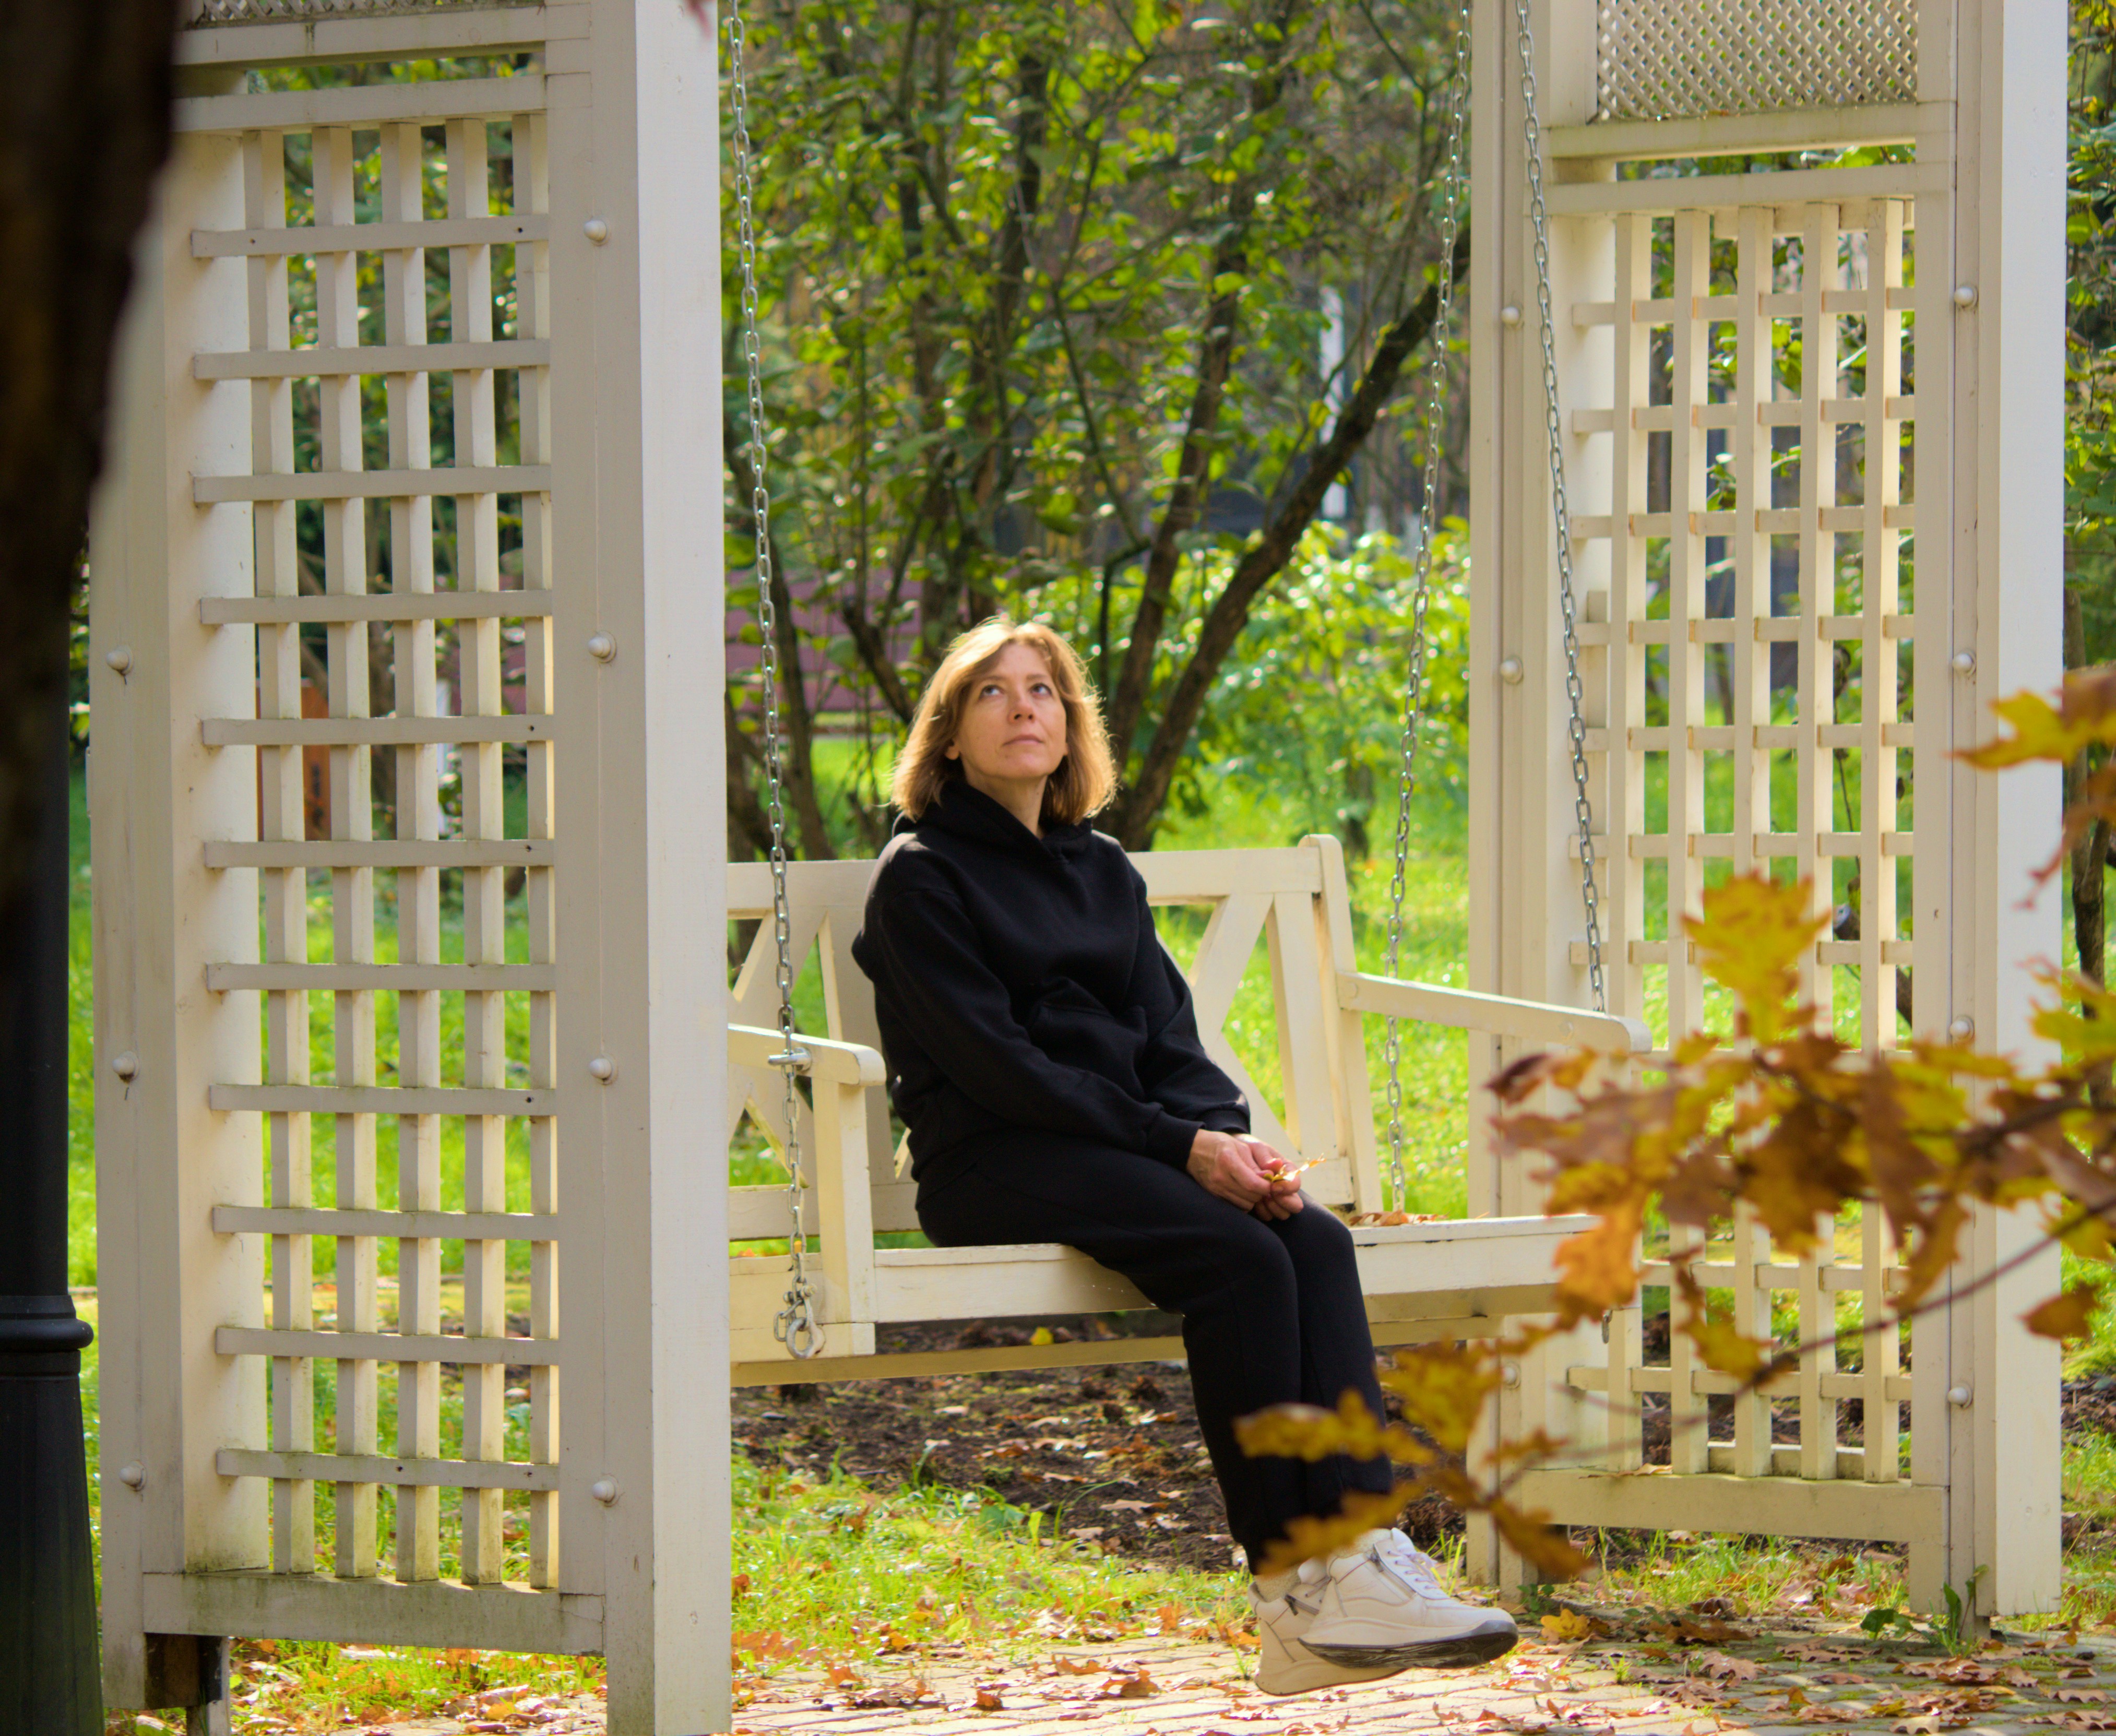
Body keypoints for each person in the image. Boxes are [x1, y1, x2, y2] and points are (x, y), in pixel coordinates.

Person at [850, 616, 1517, 1694]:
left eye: (1042, 690)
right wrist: (1181, 1145)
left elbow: (1169, 1038)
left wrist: (1230, 1142)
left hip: (1121, 1148)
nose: (1023, 707)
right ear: (950, 734)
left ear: (1070, 726)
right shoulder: (920, 876)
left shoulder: (1102, 869)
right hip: (993, 1158)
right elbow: (998, 1069)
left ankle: (1358, 1551)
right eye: (991, 692)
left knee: (1308, 1237)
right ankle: (1292, 1589)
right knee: (1237, 1261)